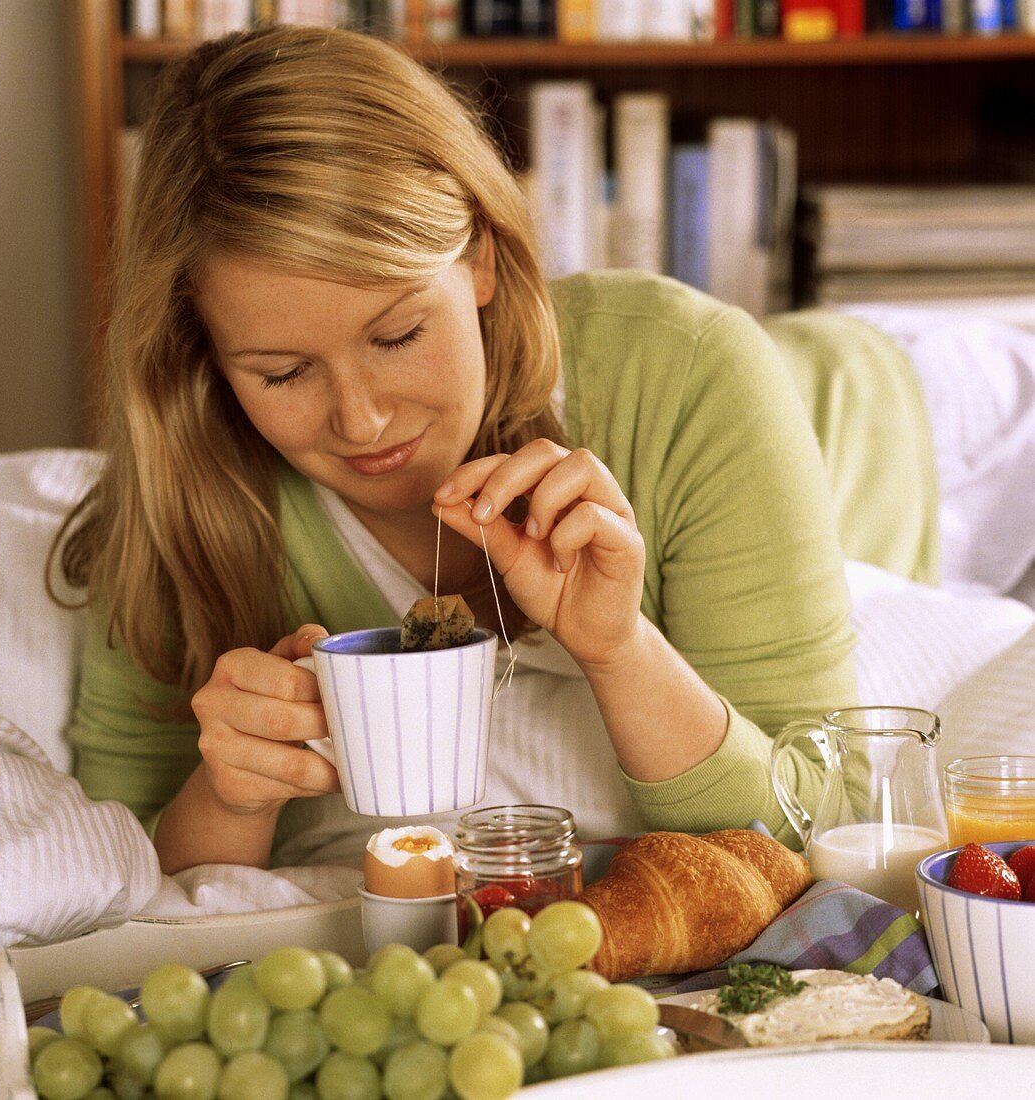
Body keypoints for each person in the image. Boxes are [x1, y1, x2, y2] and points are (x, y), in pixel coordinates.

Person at [54, 23, 858, 877]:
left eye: (397, 336)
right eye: (283, 372)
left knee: (868, 373)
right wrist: (229, 798)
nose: (361, 423)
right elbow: (123, 877)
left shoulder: (694, 373)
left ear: (481, 258)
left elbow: (832, 824)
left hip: (844, 407)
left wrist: (621, 650)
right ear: (203, 351)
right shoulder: (179, 482)